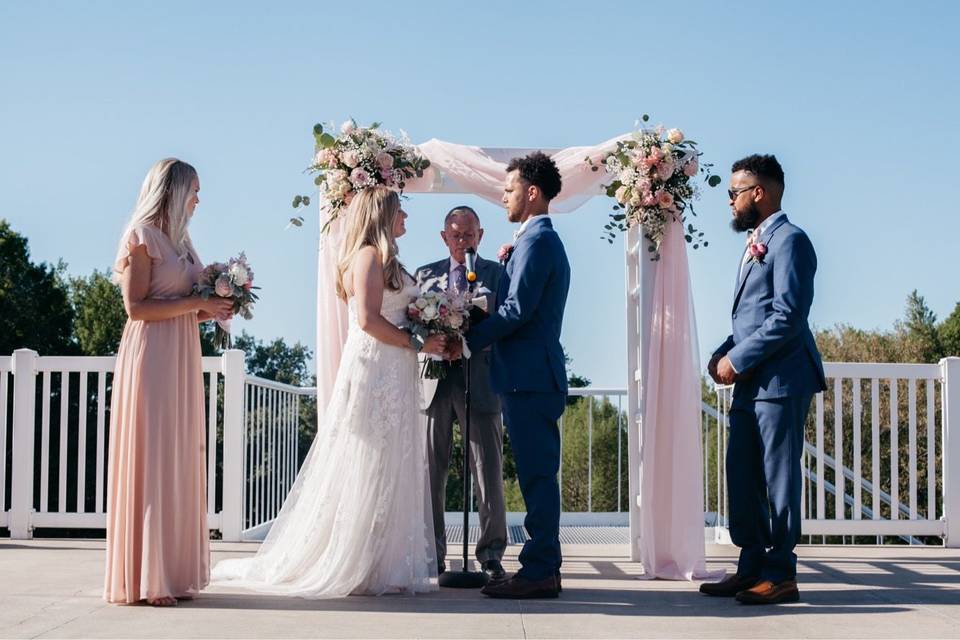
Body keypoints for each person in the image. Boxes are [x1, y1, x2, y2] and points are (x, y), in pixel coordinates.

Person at [212, 186, 446, 597]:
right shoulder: (367, 257)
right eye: (400, 211)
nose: (406, 218)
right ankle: (352, 559)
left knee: (392, 461)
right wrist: (418, 342)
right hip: (376, 371)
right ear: (383, 215)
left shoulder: (389, 260)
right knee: (367, 460)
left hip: (396, 371)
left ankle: (381, 561)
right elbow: (370, 320)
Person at [105, 158, 234, 606]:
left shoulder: (184, 242)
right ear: (175, 191)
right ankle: (147, 577)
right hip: (152, 356)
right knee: (155, 456)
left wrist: (212, 309)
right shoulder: (142, 238)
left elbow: (184, 306)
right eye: (195, 190)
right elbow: (137, 308)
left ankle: (174, 573)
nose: (199, 199)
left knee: (179, 457)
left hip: (181, 354)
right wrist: (193, 302)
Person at [700, 154, 827, 605]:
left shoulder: (791, 241)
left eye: (734, 192)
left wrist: (740, 358)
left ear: (759, 193)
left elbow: (788, 316)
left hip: (782, 380)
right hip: (751, 383)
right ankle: (750, 565)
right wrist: (723, 353)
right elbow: (750, 319)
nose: (730, 202)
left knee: (777, 479)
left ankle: (781, 573)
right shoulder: (754, 243)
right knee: (743, 474)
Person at [460, 152, 570, 599]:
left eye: (508, 190)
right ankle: (542, 566)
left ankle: (541, 570)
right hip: (524, 376)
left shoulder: (539, 241)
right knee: (533, 475)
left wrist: (469, 338)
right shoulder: (531, 241)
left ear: (532, 192)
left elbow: (519, 310)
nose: (503, 197)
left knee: (538, 477)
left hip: (532, 377)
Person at [415, 206, 507, 582]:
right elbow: (412, 320)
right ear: (444, 237)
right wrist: (433, 343)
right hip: (435, 381)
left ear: (480, 236)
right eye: (456, 235)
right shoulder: (424, 275)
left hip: (480, 379)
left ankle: (490, 555)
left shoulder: (497, 274)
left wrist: (466, 343)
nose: (462, 241)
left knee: (488, 470)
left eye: (469, 235)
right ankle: (431, 553)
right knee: (429, 472)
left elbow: (503, 321)